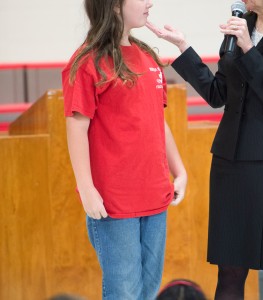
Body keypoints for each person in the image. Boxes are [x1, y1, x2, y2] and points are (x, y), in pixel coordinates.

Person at [146, 0, 263, 299]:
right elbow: (219, 94)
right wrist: (183, 48)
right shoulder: (242, 24)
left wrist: (248, 49)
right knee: (229, 269)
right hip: (231, 161)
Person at [62, 0, 187, 299]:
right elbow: (76, 127)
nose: (150, 3)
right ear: (115, 6)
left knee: (148, 290)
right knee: (124, 292)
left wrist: (179, 170)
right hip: (114, 203)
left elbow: (159, 121)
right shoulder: (87, 61)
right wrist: (86, 188)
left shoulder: (147, 56)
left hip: (156, 195)